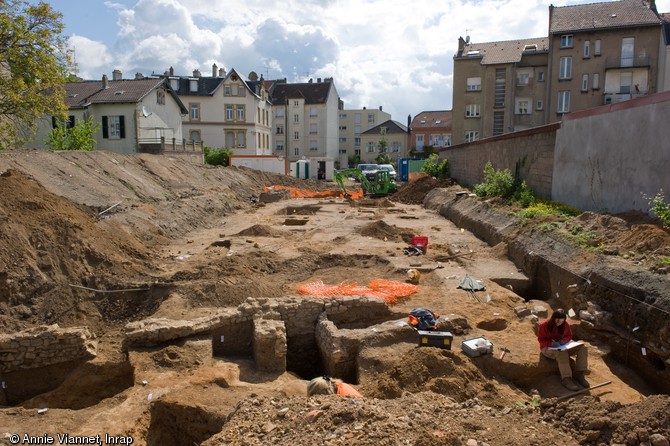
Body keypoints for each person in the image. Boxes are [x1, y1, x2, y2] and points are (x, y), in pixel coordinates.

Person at [537, 308, 589, 391]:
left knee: (583, 348)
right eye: (558, 322)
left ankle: (579, 373)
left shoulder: (564, 324)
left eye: (562, 322)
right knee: (561, 352)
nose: (559, 324)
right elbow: (541, 340)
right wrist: (551, 344)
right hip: (547, 348)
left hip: (562, 346)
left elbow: (569, 336)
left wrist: (563, 341)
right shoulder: (544, 325)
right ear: (553, 319)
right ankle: (566, 379)